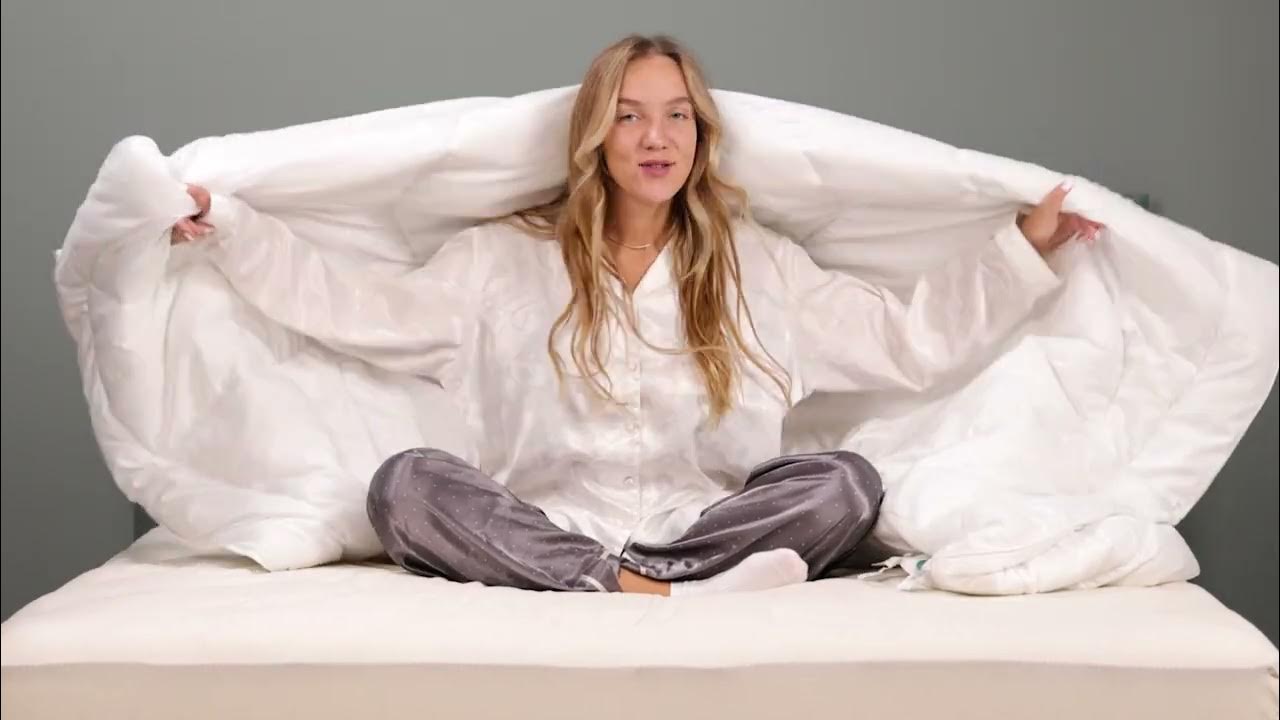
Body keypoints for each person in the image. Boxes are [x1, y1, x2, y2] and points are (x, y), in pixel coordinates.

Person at [170, 34, 1101, 597]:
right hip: (546, 531)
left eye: (677, 116)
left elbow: (906, 339)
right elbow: (350, 304)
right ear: (594, 134)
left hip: (712, 531)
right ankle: (637, 589)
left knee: (846, 484)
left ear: (701, 134)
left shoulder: (757, 266)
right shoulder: (502, 260)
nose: (656, 137)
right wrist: (229, 230)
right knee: (405, 485)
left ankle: (657, 580)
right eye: (628, 115)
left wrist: (1025, 247)